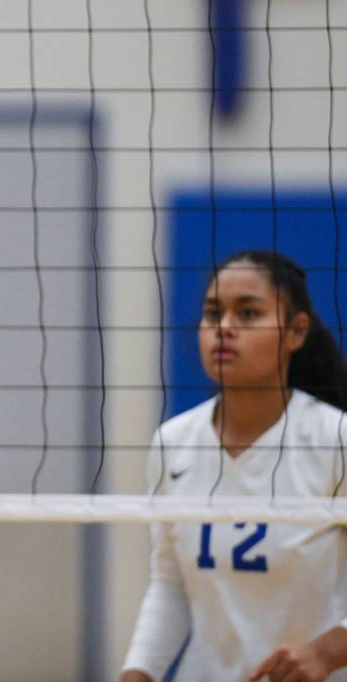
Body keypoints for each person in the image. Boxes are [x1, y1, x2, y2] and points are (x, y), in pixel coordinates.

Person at [121, 250, 347, 682]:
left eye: (248, 313)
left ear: (297, 332)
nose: (224, 328)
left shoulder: (335, 439)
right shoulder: (175, 442)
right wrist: (137, 672)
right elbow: (170, 584)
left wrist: (324, 653)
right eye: (212, 313)